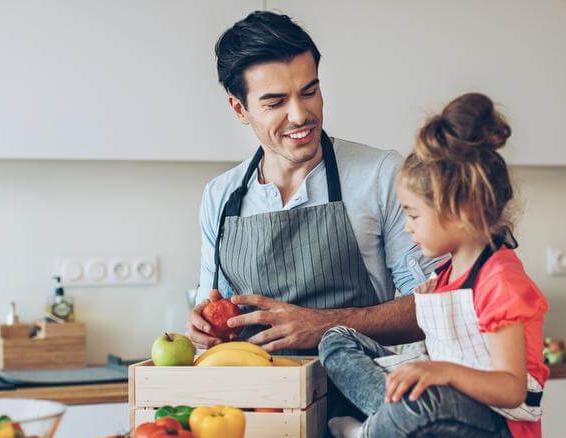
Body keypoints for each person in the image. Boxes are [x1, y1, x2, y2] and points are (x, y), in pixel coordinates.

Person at [318, 93, 549, 438]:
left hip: (498, 425)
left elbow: (510, 388)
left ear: (460, 211)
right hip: (447, 401)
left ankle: (369, 437)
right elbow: (450, 348)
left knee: (426, 399)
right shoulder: (446, 272)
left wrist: (438, 373)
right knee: (336, 339)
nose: (407, 228)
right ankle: (412, 432)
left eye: (414, 215)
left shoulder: (501, 280)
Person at [187, 11, 440, 354]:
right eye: (275, 102)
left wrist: (324, 327)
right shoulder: (221, 196)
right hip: (261, 403)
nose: (299, 115)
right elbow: (212, 307)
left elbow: (435, 307)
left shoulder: (380, 174)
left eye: (309, 92)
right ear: (239, 110)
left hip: (356, 399)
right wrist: (203, 327)